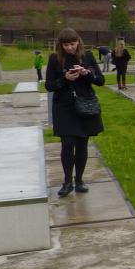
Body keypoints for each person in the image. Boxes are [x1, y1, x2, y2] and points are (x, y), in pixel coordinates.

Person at [45, 28, 104, 197]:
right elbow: (49, 85)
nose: (70, 48)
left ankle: (79, 180)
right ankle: (67, 182)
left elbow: (100, 80)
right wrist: (65, 79)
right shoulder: (54, 59)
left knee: (82, 144)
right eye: (66, 45)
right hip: (64, 107)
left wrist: (87, 74)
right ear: (61, 45)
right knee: (67, 143)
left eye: (72, 44)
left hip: (85, 105)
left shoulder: (88, 56)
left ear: (78, 42)